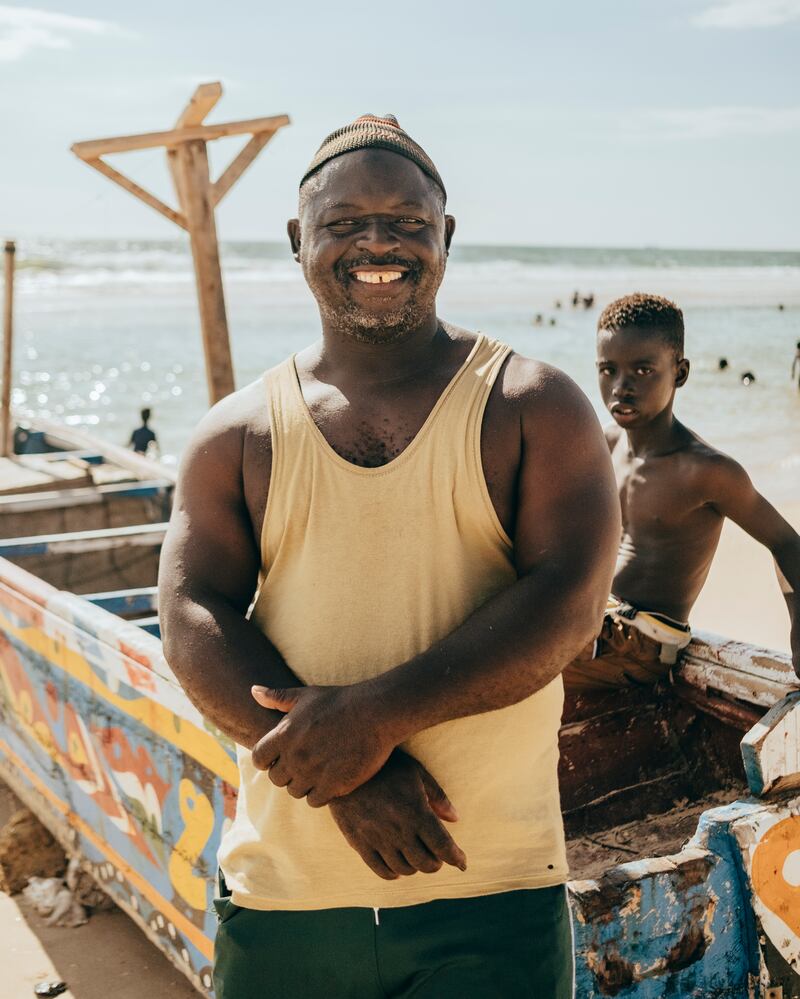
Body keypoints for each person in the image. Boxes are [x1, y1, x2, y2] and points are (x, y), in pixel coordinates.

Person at [159, 113, 620, 998]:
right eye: (344, 223)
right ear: (300, 241)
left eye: (408, 222)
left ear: (444, 237)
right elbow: (190, 615)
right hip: (286, 895)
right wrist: (340, 777)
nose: (379, 243)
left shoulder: (532, 404)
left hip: (491, 886)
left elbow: (570, 601)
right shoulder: (238, 432)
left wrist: (369, 724)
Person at [564, 293, 800, 692]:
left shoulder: (704, 470)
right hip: (598, 620)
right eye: (608, 370)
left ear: (680, 372)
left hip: (644, 644)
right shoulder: (605, 444)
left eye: (643, 370)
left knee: (507, 663)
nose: (621, 387)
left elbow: (786, 542)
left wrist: (798, 627)